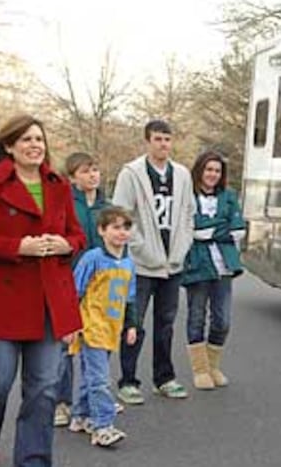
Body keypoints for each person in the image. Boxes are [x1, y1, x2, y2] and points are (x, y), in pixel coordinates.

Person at [0, 114, 85, 467]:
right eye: (26, 140)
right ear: (9, 146)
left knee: (43, 388)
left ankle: (33, 460)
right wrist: (18, 247)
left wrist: (65, 244)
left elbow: (78, 234)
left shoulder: (58, 185)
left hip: (49, 299)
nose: (34, 146)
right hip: (1, 298)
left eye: (39, 139)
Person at [112, 119, 194, 404]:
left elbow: (187, 214)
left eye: (167, 139)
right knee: (134, 323)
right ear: (147, 141)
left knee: (166, 323)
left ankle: (164, 378)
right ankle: (128, 380)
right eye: (158, 139)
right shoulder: (132, 173)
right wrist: (142, 249)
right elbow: (121, 216)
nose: (163, 144)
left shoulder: (182, 174)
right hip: (142, 263)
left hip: (172, 263)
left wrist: (182, 247)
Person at [67, 206, 138, 447]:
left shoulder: (128, 262)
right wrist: (72, 324)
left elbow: (130, 297)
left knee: (91, 376)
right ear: (102, 230)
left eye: (126, 227)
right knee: (100, 378)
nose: (121, 233)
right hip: (91, 326)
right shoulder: (92, 258)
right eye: (115, 227)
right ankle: (103, 426)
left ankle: (81, 415)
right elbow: (75, 292)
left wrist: (131, 325)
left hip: (112, 328)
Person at [54, 152, 111, 427]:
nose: (93, 175)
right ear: (73, 176)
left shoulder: (107, 207)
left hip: (100, 285)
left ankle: (89, 401)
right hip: (70, 281)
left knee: (97, 342)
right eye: (86, 171)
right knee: (66, 344)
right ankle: (60, 402)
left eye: (96, 170)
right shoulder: (65, 205)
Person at [182, 151, 246, 390]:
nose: (212, 174)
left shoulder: (229, 196)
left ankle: (213, 366)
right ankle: (200, 370)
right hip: (197, 265)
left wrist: (208, 231)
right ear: (200, 170)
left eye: (217, 171)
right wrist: (219, 227)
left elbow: (237, 230)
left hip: (224, 267)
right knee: (196, 316)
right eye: (209, 169)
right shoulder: (187, 196)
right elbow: (191, 228)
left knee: (223, 320)